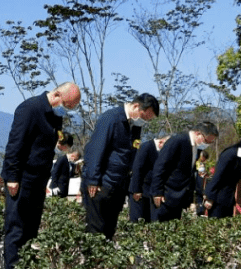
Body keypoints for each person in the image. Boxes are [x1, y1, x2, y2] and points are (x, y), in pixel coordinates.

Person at [0, 83, 82, 269]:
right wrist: (12, 176)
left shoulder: (56, 115)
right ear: (56, 95)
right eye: (67, 105)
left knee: (31, 229)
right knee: (16, 227)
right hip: (22, 178)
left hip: (39, 178)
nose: (67, 110)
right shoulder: (30, 108)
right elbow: (15, 143)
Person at [82, 93, 161, 239]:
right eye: (144, 116)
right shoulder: (111, 118)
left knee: (110, 230)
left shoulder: (135, 126)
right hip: (103, 183)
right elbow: (96, 148)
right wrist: (93, 179)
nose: (144, 121)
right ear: (136, 106)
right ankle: (93, 260)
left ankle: (104, 260)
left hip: (119, 184)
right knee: (96, 230)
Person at [149, 121, 219, 223]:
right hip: (166, 194)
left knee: (173, 231)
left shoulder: (196, 148)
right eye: (206, 141)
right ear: (197, 133)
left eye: (210, 143)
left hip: (179, 197)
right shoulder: (178, 140)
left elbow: (190, 172)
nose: (207, 145)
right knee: (159, 228)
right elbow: (160, 167)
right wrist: (157, 192)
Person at [128, 134, 168, 223]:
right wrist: (136, 190)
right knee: (137, 221)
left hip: (150, 191)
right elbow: (137, 168)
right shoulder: (146, 147)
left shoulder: (161, 152)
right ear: (161, 142)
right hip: (140, 191)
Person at [49, 133, 77, 198]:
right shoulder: (61, 157)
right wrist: (54, 185)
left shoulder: (65, 158)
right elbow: (55, 172)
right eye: (68, 147)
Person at [193, 149, 210, 216]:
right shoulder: (197, 160)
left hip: (200, 182)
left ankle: (200, 210)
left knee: (199, 195)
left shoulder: (202, 164)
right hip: (196, 180)